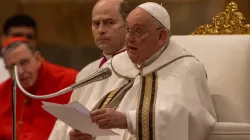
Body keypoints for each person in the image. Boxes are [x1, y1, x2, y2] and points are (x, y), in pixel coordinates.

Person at [50, 2, 217, 140]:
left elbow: (185, 120)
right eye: (128, 30)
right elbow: (72, 122)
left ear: (161, 37)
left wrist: (128, 120)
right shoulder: (114, 66)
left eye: (138, 31)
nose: (129, 38)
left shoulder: (185, 69)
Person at [49, 0, 131, 139]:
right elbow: (66, 123)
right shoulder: (87, 72)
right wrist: (72, 134)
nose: (101, 30)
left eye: (109, 22)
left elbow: (141, 121)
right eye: (96, 24)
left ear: (128, 26)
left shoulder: (139, 68)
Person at [0, 28, 78, 140]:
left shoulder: (71, 81)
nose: (20, 72)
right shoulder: (3, 92)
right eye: (13, 67)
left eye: (24, 62)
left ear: (37, 58)